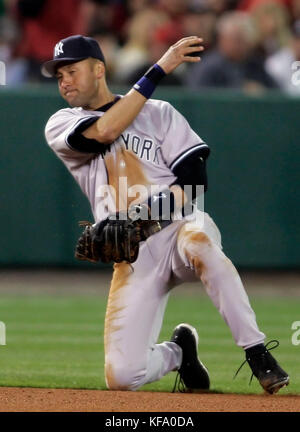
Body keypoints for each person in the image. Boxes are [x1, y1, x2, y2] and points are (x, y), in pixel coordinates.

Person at [43, 34, 289, 394]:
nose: (64, 80)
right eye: (59, 74)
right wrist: (159, 69)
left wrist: (142, 212)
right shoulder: (61, 123)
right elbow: (107, 129)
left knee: (202, 242)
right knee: (123, 378)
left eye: (71, 70)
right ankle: (179, 352)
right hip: (133, 253)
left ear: (98, 69)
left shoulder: (160, 113)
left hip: (180, 227)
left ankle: (256, 351)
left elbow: (194, 182)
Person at [184, 11, 277, 92]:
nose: (242, 45)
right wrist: (241, 91)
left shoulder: (254, 64)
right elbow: (199, 98)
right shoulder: (208, 67)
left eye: (245, 40)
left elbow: (276, 92)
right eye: (237, 40)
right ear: (222, 39)